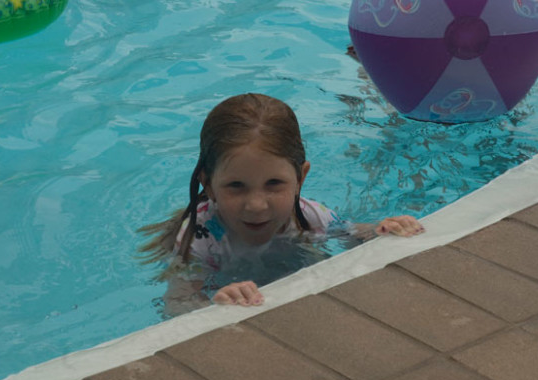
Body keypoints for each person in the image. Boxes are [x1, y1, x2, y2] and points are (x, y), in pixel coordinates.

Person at [138, 93, 424, 313]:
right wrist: (215, 303)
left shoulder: (309, 216)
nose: (257, 205)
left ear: (300, 178)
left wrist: (383, 229)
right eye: (236, 186)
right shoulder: (200, 238)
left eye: (274, 184)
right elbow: (177, 302)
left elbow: (353, 235)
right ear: (208, 184)